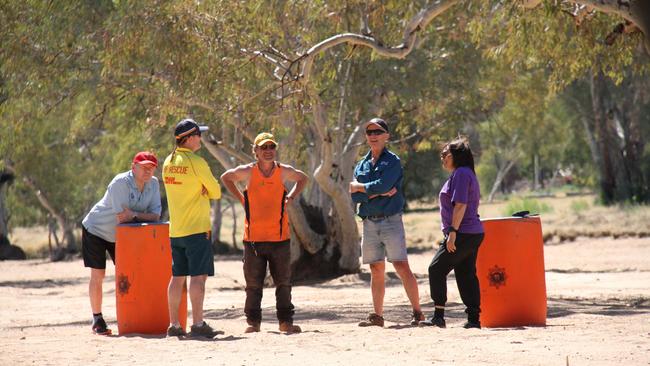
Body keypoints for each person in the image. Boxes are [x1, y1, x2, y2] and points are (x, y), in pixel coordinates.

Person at [220, 132, 308, 334]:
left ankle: (285, 322)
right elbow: (226, 177)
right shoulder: (248, 172)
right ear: (256, 151)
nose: (268, 151)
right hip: (253, 240)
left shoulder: (283, 171)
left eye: (271, 147)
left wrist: (291, 198)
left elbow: (303, 178)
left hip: (280, 239)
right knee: (253, 285)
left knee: (283, 283)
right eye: (263, 148)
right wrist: (241, 198)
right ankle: (253, 323)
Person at [349, 118, 424, 327]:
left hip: (391, 221)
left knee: (400, 266)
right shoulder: (361, 165)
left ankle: (418, 312)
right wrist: (375, 193)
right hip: (369, 223)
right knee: (376, 269)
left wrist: (363, 189)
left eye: (378, 132)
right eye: (369, 132)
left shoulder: (393, 162)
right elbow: (355, 197)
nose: (373, 135)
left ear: (386, 136)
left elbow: (384, 184)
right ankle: (378, 316)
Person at [81, 151, 162, 335]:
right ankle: (97, 319)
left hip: (122, 235)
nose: (147, 171)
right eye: (143, 167)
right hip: (96, 230)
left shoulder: (154, 184)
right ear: (133, 167)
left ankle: (133, 315)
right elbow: (121, 218)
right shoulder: (120, 183)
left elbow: (155, 216)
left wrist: (133, 214)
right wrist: (139, 216)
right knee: (99, 274)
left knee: (132, 273)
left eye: (151, 167)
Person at [162, 118, 222, 338]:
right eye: (198, 134)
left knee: (177, 277)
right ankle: (198, 324)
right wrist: (203, 190)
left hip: (175, 230)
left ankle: (174, 325)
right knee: (198, 277)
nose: (201, 138)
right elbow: (216, 192)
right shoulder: (197, 162)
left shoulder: (168, 161)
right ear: (188, 138)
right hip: (197, 229)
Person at [421, 137, 484, 329]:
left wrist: (453, 232)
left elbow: (461, 205)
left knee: (436, 269)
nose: (442, 156)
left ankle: (438, 316)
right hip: (472, 232)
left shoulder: (462, 174)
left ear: (457, 155)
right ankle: (473, 320)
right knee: (465, 274)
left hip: (463, 232)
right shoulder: (462, 173)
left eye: (446, 153)